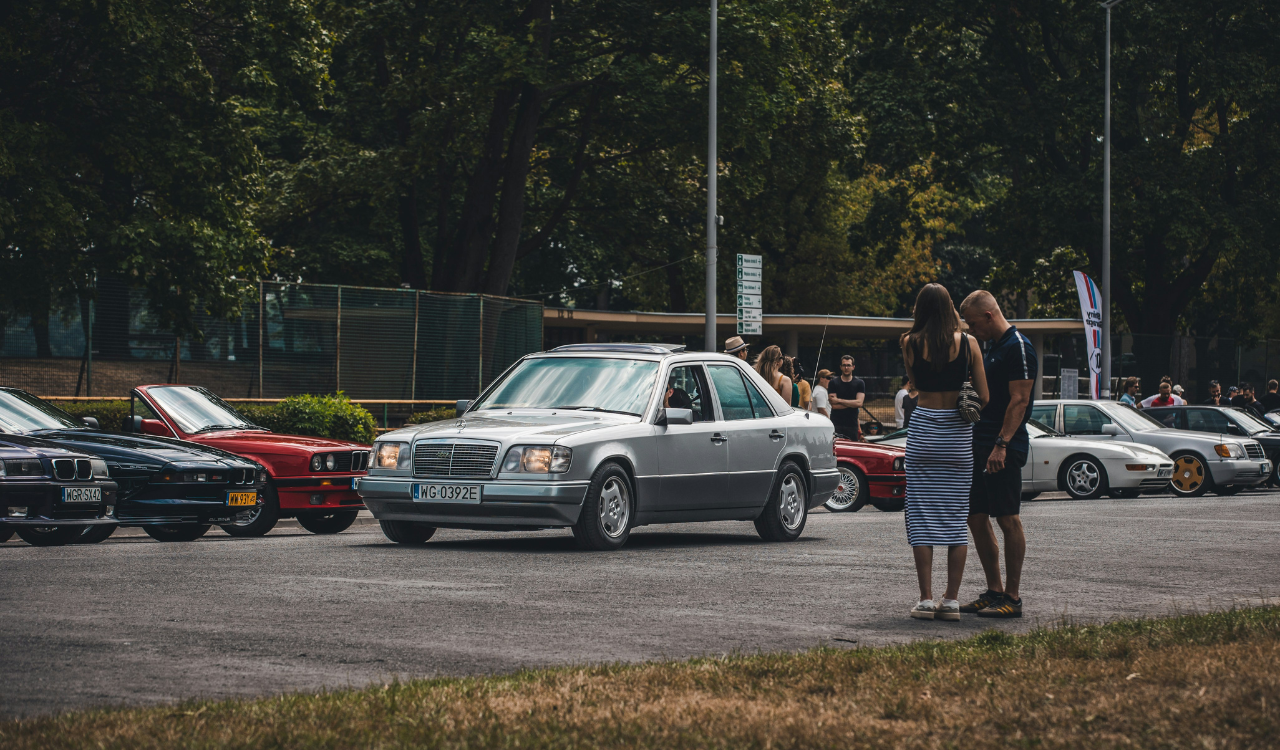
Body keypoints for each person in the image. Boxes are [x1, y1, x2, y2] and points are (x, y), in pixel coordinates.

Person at [901, 284, 988, 622]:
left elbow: (914, 385)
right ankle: (951, 600)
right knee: (955, 517)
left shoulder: (909, 343)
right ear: (950, 306)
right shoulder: (969, 343)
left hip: (923, 431)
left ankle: (925, 599)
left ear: (920, 309)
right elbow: (984, 396)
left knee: (921, 516)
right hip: (957, 436)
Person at [958, 289, 1036, 620]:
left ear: (989, 316)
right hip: (979, 443)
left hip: (1003, 446)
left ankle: (1012, 598)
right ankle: (994, 591)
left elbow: (1020, 400)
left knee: (1007, 517)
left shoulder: (1018, 346)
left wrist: (1001, 444)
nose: (971, 329)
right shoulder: (991, 348)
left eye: (973, 323)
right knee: (976, 517)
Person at [828, 355, 866, 441]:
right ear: (840, 367)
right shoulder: (833, 382)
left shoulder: (860, 383)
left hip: (852, 424)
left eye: (848, 365)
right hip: (836, 424)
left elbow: (859, 403)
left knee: (851, 447)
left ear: (853, 367)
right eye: (844, 365)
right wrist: (853, 404)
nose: (846, 368)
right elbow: (834, 406)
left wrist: (838, 400)